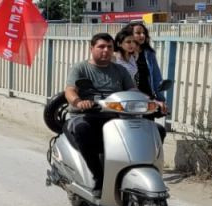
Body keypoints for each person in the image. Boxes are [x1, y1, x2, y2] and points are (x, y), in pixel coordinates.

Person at [64, 33, 164, 191]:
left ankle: (137, 168)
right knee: (82, 130)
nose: (105, 50)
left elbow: (133, 90)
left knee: (157, 130)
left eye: (109, 47)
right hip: (89, 115)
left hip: (117, 116)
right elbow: (70, 90)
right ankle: (98, 175)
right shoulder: (81, 68)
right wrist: (79, 102)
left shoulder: (120, 70)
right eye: (101, 47)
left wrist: (153, 102)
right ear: (92, 48)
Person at [125, 22, 166, 101]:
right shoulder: (122, 54)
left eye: (144, 33)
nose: (142, 35)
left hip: (147, 97)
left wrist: (160, 99)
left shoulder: (149, 53)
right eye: (138, 33)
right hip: (129, 98)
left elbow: (156, 77)